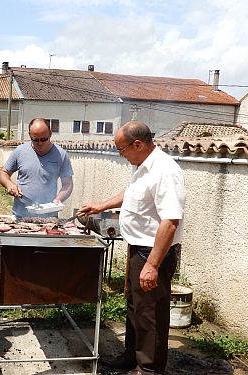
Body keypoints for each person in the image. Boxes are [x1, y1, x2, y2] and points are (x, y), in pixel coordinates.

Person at [78, 120, 186, 375]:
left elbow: (170, 222)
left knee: (151, 315)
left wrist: (152, 265)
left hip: (153, 253)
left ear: (137, 144)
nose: (121, 155)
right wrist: (101, 206)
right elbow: (130, 192)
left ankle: (148, 369)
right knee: (135, 307)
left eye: (122, 149)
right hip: (138, 248)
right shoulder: (143, 167)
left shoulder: (165, 171)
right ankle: (131, 357)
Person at [0, 117, 73, 218]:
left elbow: (67, 184)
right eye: (35, 140)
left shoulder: (61, 155)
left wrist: (58, 199)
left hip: (49, 218)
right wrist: (9, 185)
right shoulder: (20, 151)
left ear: (50, 134)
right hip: (20, 215)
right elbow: (3, 173)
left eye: (44, 139)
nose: (40, 143)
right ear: (30, 135)